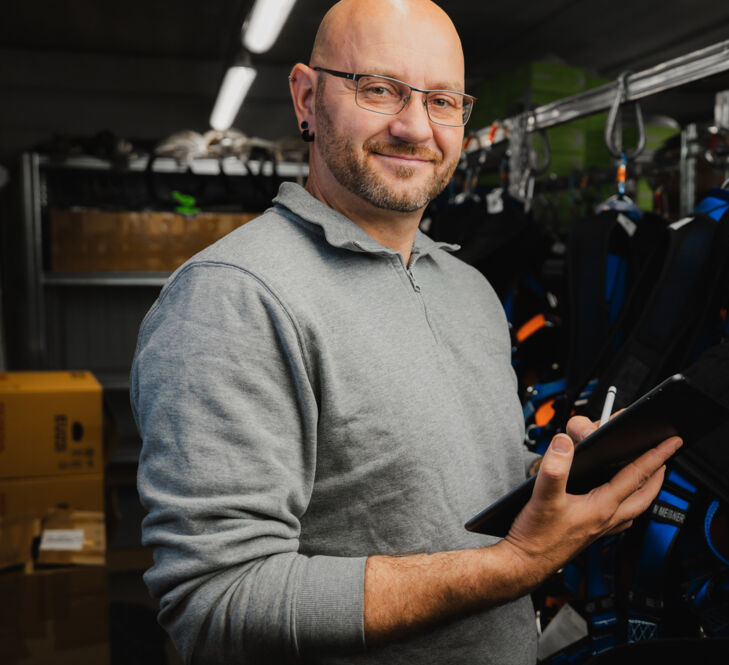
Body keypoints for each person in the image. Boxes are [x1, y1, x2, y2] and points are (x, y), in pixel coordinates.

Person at [131, 0, 680, 663]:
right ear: (307, 97)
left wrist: (556, 488)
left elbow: (441, 499)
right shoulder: (233, 298)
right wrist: (519, 563)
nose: (415, 126)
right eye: (380, 89)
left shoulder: (469, 289)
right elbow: (216, 603)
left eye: (442, 101)